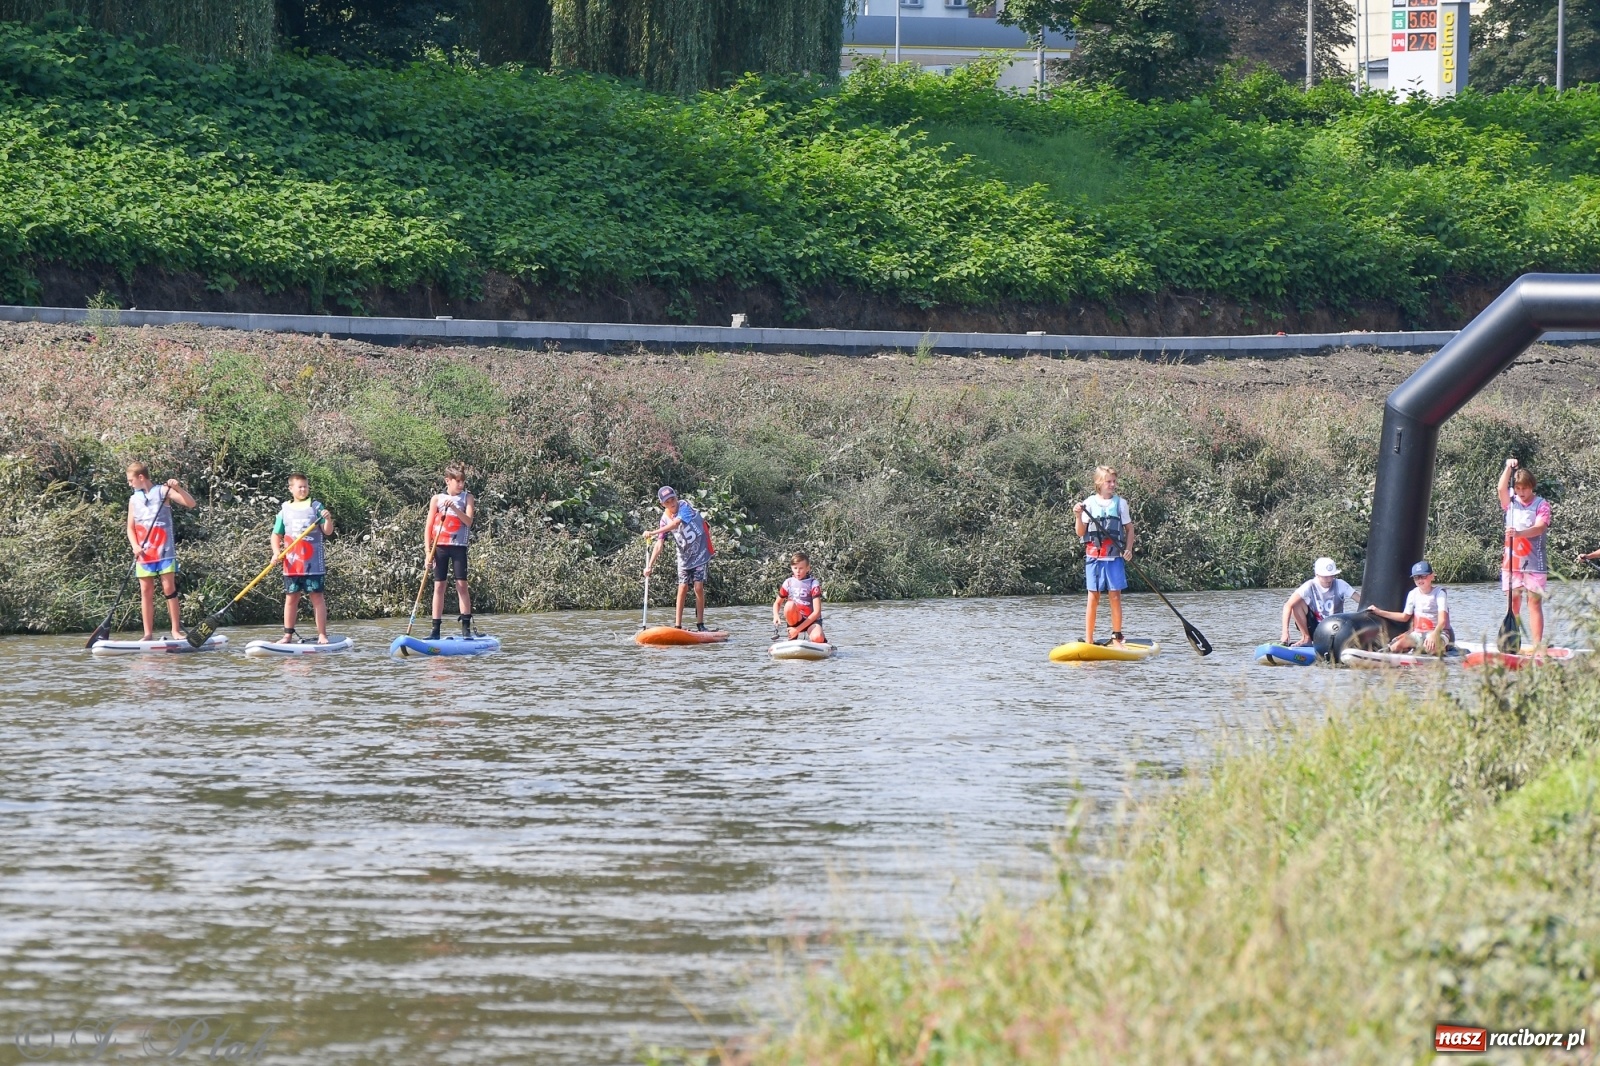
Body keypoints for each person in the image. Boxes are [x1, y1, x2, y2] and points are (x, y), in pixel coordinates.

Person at [125, 462, 195, 641]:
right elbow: (130, 528)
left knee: (169, 588)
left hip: (164, 550)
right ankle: (148, 634)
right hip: (144, 553)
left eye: (131, 480)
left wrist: (178, 488)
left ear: (141, 477)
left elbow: (191, 503)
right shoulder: (134, 499)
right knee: (146, 591)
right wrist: (135, 546)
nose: (130, 484)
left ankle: (175, 631)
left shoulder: (163, 491)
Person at [1073, 465, 1134, 646]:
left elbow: (1130, 529)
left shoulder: (1120, 503)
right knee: (1093, 598)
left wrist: (1128, 549)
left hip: (1114, 558)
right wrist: (1078, 516)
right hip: (1094, 558)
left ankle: (1117, 636)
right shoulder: (1089, 503)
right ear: (1099, 483)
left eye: (1114, 481)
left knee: (1115, 597)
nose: (1113, 484)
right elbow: (1080, 532)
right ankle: (1089, 639)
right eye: (1109, 481)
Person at [271, 472, 334, 644]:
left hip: (313, 564)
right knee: (291, 598)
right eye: (300, 487)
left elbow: (328, 531)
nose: (303, 490)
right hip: (292, 564)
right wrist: (276, 553)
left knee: (317, 597)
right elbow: (276, 534)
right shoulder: (284, 510)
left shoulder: (316, 507)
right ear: (291, 489)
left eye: (306, 486)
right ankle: (287, 635)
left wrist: (328, 519)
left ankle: (322, 635)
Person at [644, 485, 713, 630]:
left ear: (676, 497)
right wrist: (649, 565)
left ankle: (700, 624)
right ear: (662, 504)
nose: (672, 503)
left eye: (673, 499)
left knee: (698, 587)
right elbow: (659, 544)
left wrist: (652, 532)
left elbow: (676, 524)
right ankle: (678, 626)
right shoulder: (664, 519)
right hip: (684, 556)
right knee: (682, 587)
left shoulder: (684, 506)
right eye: (667, 502)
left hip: (699, 551)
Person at [1498, 457, 1551, 646]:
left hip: (1534, 563)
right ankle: (1513, 643)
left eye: (1525, 488)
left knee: (1534, 603)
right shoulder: (1511, 502)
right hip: (1512, 564)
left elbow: (1539, 528)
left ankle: (1537, 645)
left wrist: (1519, 533)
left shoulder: (1542, 505)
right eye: (1518, 488)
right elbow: (1501, 489)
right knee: (1513, 604)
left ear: (1532, 487)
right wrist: (1508, 468)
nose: (1521, 492)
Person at [425, 460, 476, 640]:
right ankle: (435, 630)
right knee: (439, 586)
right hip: (440, 547)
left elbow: (468, 521)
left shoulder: (467, 498)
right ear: (448, 481)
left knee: (461, 585)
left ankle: (466, 628)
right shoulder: (437, 499)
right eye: (457, 481)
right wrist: (427, 553)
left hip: (458, 547)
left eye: (463, 481)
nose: (461, 485)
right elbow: (428, 527)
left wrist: (454, 507)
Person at [1366, 560, 1453, 654]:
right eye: (1416, 577)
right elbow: (1404, 617)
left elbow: (1442, 621)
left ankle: (1441, 648)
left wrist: (1434, 635)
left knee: (1430, 648)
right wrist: (1379, 612)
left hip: (1438, 632)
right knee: (1396, 646)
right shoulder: (1413, 594)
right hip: (1418, 634)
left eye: (1423, 576)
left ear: (1432, 576)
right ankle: (1407, 650)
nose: (1420, 580)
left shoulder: (1440, 593)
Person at [1279, 557, 1355, 646]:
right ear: (1317, 574)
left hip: (1335, 627)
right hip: (1316, 627)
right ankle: (1306, 639)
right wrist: (1285, 632)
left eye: (1332, 576)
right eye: (1325, 577)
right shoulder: (1309, 586)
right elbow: (1288, 605)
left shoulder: (1340, 584)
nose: (1329, 579)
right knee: (1296, 604)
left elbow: (1360, 599)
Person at [773, 551, 825, 643]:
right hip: (796, 618)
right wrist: (776, 615)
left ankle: (821, 641)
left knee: (817, 637)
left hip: (811, 620)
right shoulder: (788, 582)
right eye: (795, 568)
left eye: (801, 568)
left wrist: (797, 629)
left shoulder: (813, 583)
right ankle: (792, 636)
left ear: (808, 568)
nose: (798, 571)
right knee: (789, 605)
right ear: (791, 568)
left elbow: (817, 612)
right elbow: (777, 603)